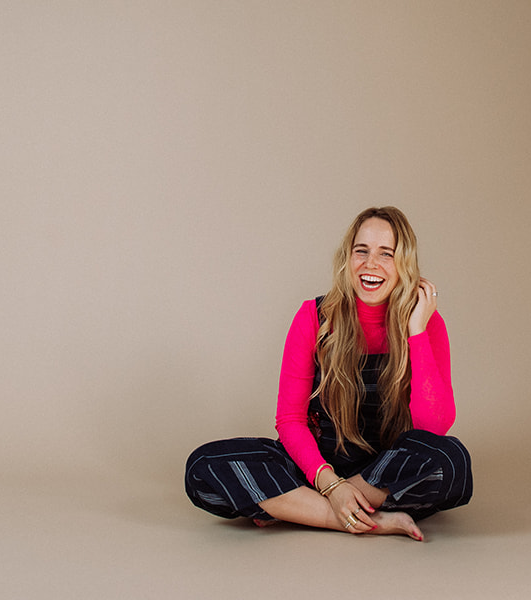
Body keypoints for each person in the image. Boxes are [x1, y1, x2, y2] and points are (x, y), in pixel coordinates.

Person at [184, 206, 471, 541]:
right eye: (361, 251)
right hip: (317, 469)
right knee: (202, 468)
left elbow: (433, 428)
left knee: (452, 460)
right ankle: (364, 518)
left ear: (404, 263)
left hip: (387, 472)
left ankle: (301, 509)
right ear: (346, 258)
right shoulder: (313, 316)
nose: (370, 264)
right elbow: (290, 419)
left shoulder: (425, 324)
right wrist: (331, 487)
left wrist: (416, 331)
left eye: (386, 254)